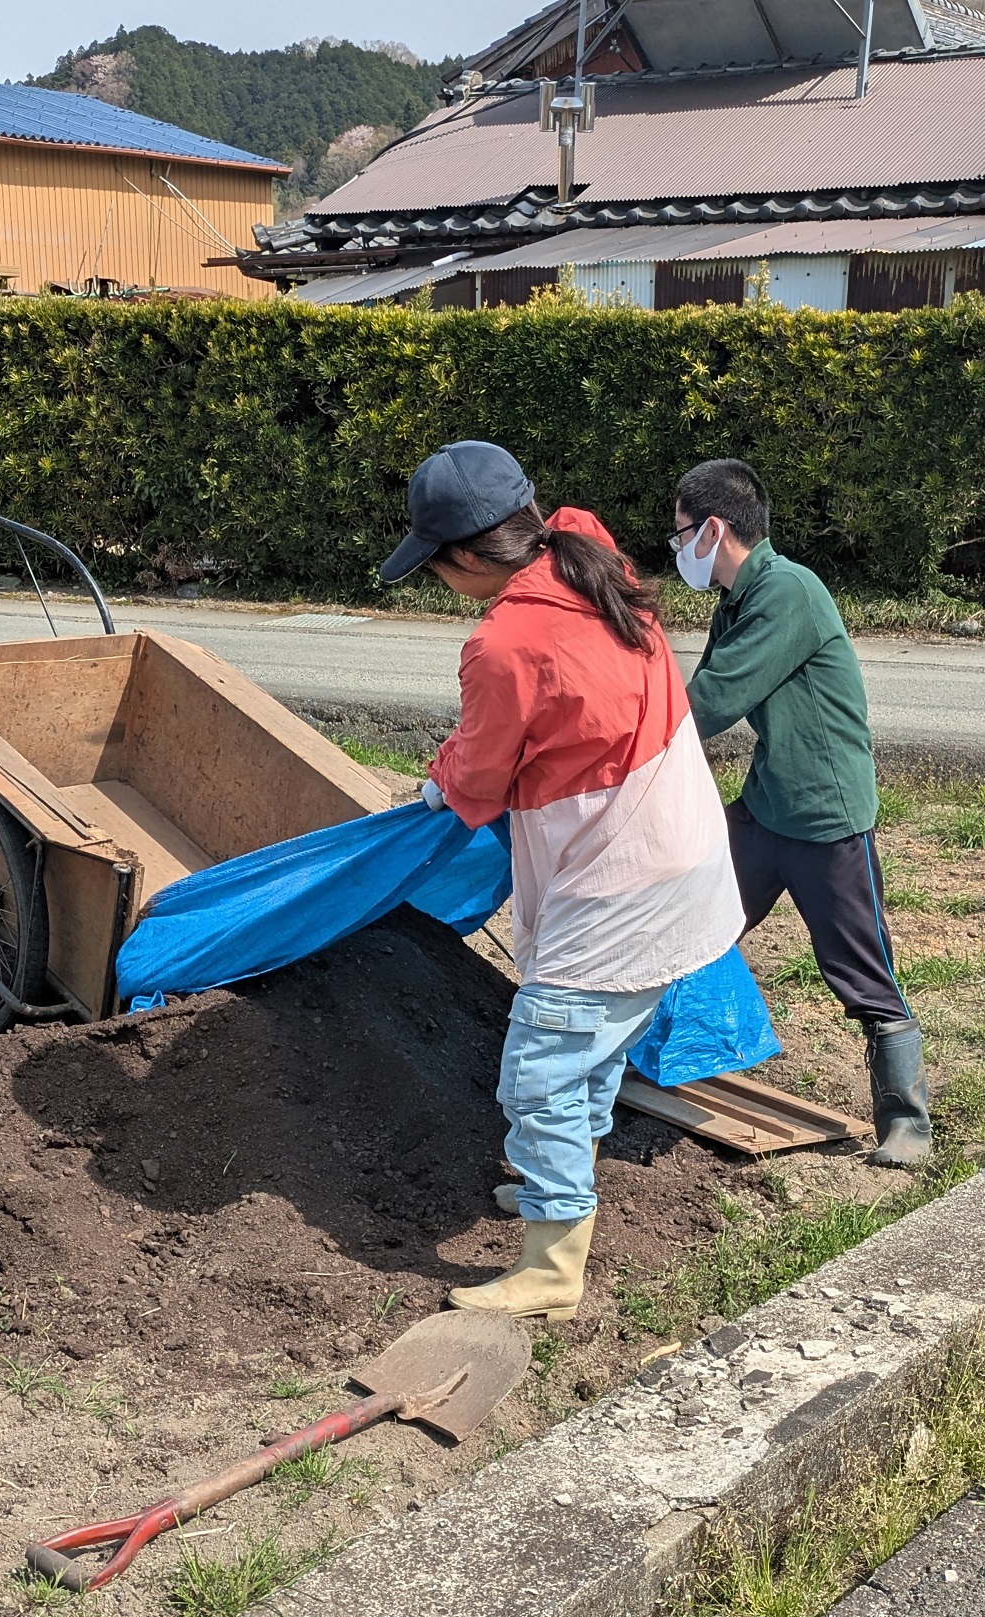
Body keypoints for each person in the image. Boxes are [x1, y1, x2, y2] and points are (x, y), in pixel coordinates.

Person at [380, 441, 746, 1321]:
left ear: (468, 556)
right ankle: (561, 1190)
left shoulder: (504, 643)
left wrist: (438, 775)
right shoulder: (582, 545)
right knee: (593, 1046)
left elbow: (475, 784)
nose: (436, 578)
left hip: (624, 879)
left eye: (434, 563)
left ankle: (551, 1266)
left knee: (540, 1066)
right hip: (684, 849)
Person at [674, 458, 932, 1170]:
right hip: (767, 804)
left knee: (859, 968)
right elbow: (694, 697)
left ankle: (907, 1121)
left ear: (715, 529)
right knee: (689, 913)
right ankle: (655, 1059)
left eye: (681, 536)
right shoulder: (739, 597)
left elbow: (708, 704)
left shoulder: (787, 592)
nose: (677, 551)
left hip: (824, 814)